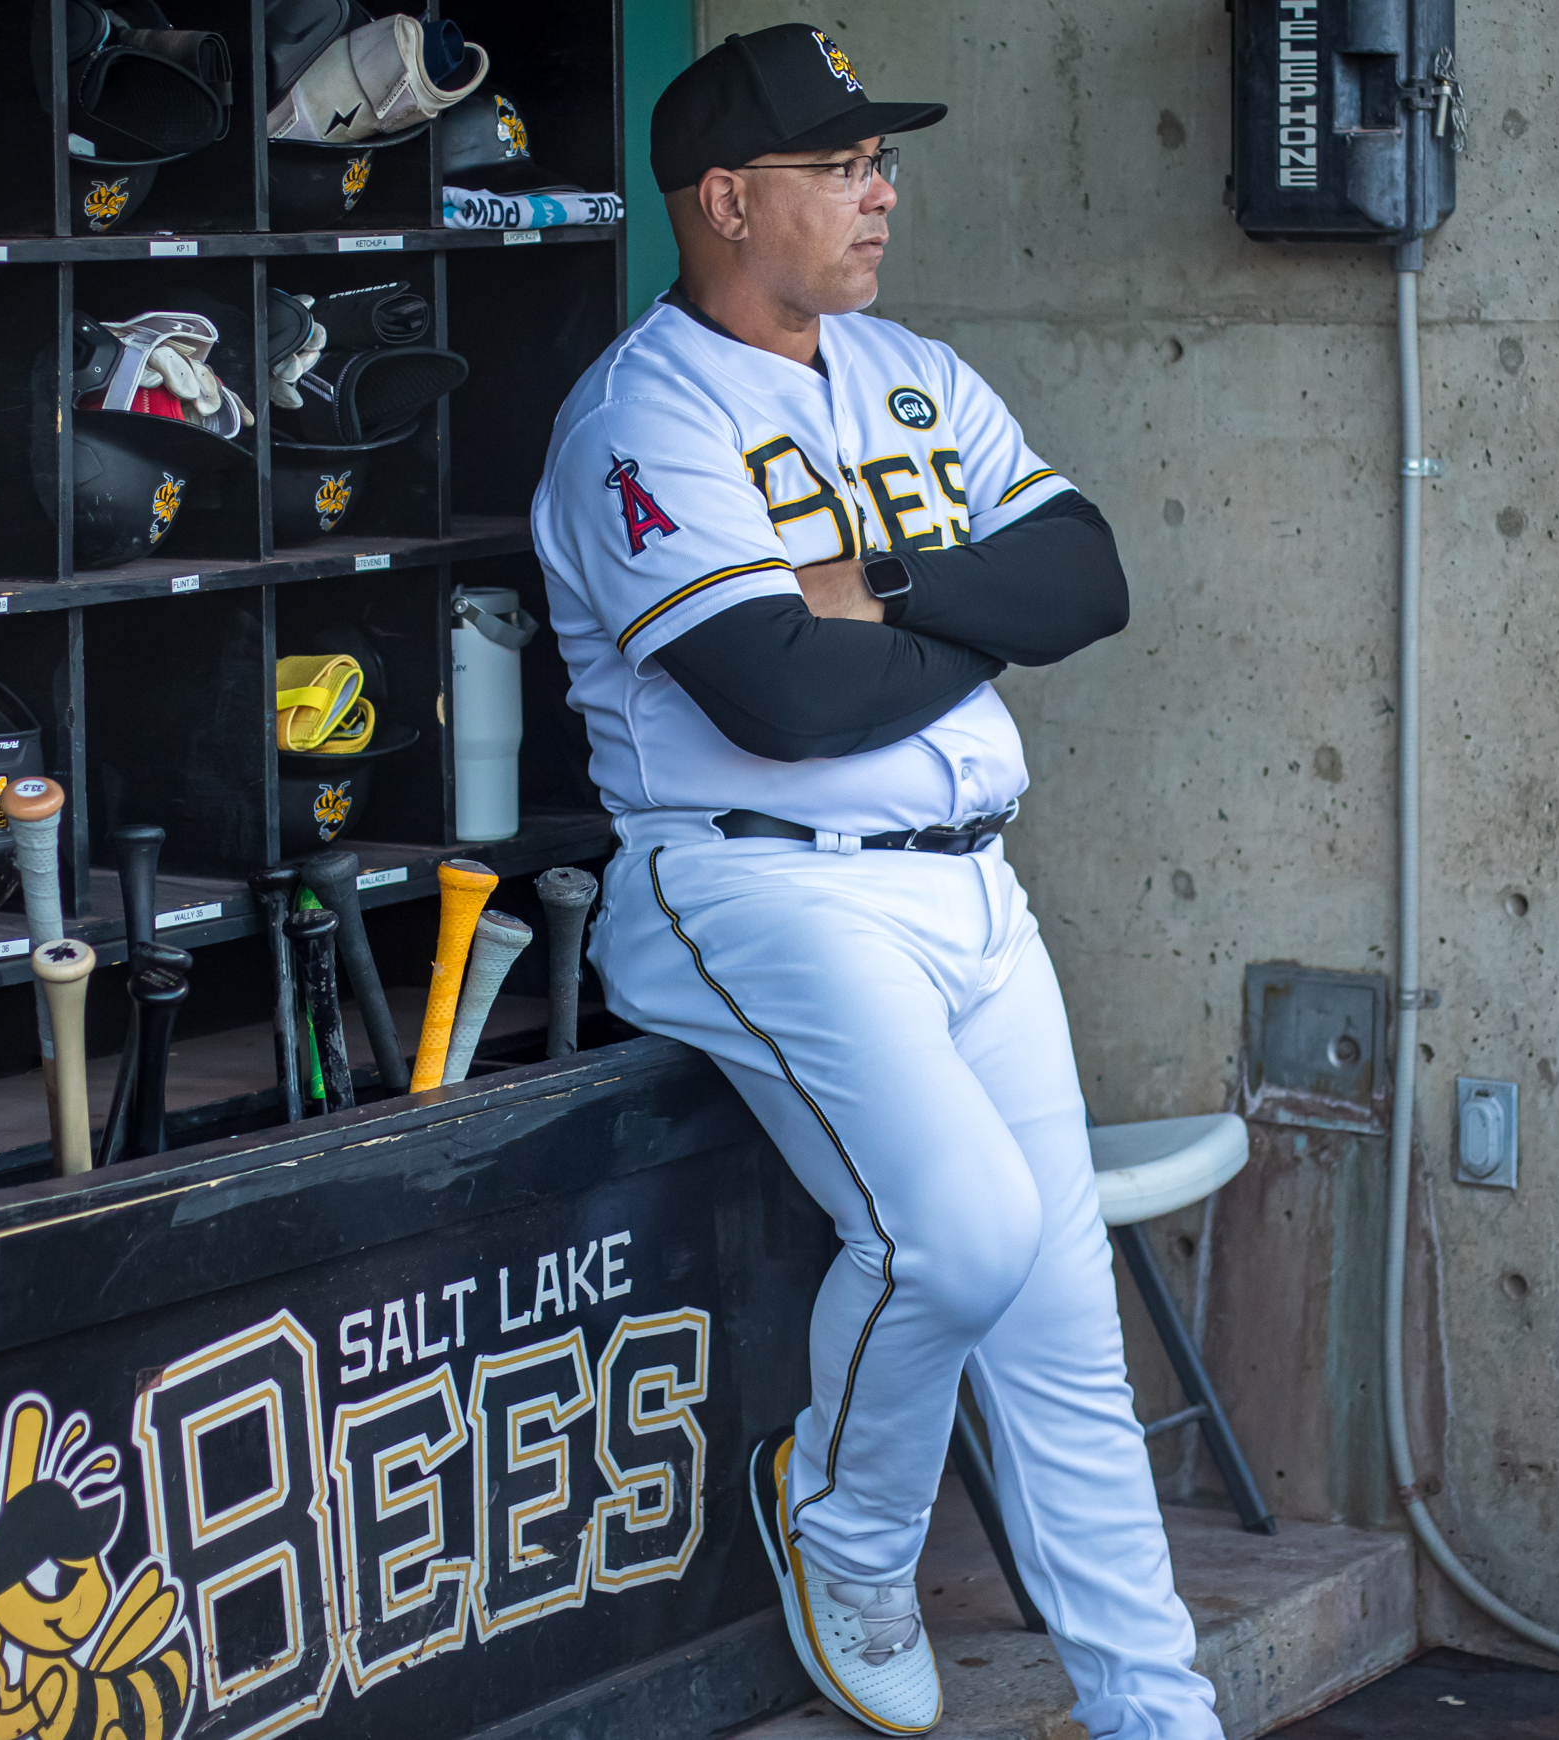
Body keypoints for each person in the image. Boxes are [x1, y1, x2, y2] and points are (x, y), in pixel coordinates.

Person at [528, 23, 1223, 1740]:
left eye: (877, 160)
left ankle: (1163, 1717)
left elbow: (1089, 578)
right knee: (962, 1239)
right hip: (764, 888)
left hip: (977, 892)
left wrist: (888, 581)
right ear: (723, 199)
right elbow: (779, 699)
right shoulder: (641, 415)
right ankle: (844, 1530)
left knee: (1067, 1347)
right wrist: (966, 625)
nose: (879, 191)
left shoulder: (910, 367)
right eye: (838, 167)